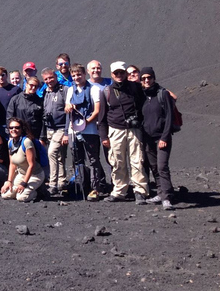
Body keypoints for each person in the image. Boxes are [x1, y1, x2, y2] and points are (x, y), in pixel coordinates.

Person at [98, 61, 150, 204]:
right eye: (116, 73)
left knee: (137, 160)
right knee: (117, 161)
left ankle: (140, 191)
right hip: (115, 130)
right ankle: (119, 191)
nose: (119, 75)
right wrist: (104, 136)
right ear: (112, 74)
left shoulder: (136, 88)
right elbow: (102, 116)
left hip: (134, 129)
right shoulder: (107, 91)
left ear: (126, 73)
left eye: (122, 72)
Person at [65, 63, 108, 201]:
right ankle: (82, 185)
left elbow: (97, 110)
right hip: (74, 131)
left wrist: (85, 123)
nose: (76, 77)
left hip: (90, 130)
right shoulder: (70, 90)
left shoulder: (94, 90)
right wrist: (68, 107)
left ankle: (96, 188)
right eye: (74, 75)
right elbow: (67, 107)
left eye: (79, 74)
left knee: (93, 159)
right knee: (78, 159)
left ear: (84, 74)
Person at [139, 67, 176, 210]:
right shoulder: (142, 96)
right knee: (154, 167)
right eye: (144, 78)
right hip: (148, 138)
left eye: (149, 78)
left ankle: (166, 198)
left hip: (161, 137)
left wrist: (165, 137)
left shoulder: (163, 94)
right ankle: (161, 193)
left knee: (162, 167)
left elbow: (169, 117)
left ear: (154, 78)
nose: (147, 80)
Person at [1, 118, 47, 202]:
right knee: (5, 194)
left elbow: (31, 165)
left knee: (21, 197)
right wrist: (9, 181)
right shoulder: (10, 142)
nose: (13, 130)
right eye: (11, 128)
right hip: (21, 174)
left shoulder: (27, 142)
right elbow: (12, 164)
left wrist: (24, 183)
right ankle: (27, 189)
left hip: (35, 175)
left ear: (22, 129)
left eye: (17, 127)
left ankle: (39, 191)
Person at [41, 68, 69, 195]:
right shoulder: (46, 92)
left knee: (51, 153)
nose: (49, 81)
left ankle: (52, 183)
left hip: (61, 128)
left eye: (51, 78)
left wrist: (67, 132)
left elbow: (69, 113)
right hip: (49, 129)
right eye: (46, 79)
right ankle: (62, 182)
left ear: (56, 77)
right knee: (59, 156)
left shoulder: (64, 90)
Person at [0, 67, 22, 141]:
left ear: (6, 76)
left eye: (3, 75)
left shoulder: (16, 89)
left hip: (12, 125)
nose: (1, 77)